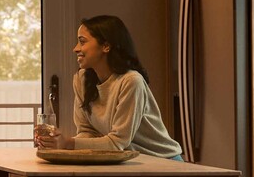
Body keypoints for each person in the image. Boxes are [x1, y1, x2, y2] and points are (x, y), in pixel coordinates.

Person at [35, 15, 184, 160]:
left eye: (82, 42)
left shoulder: (131, 81)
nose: (75, 48)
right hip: (131, 163)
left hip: (164, 163)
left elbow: (117, 142)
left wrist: (67, 143)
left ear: (106, 46)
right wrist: (57, 143)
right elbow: (87, 132)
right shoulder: (81, 80)